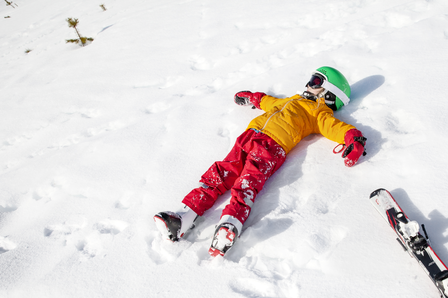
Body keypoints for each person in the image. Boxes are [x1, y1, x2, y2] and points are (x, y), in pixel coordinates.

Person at [154, 66, 367, 257]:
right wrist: (252, 98)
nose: (309, 85)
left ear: (330, 93)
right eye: (312, 79)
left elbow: (336, 127)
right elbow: (268, 102)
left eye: (317, 82)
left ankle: (230, 224)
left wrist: (353, 138)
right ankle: (183, 217)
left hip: (271, 148)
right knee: (218, 174)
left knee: (247, 183)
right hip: (248, 137)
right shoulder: (291, 100)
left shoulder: (319, 112)